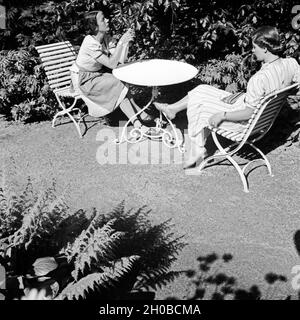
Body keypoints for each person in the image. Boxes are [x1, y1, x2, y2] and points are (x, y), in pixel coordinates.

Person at [154, 26, 300, 169]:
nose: (253, 50)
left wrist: (222, 115)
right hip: (258, 118)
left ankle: (197, 150)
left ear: (265, 48)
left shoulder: (259, 79)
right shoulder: (291, 64)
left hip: (243, 124)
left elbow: (248, 113)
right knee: (201, 89)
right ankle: (172, 109)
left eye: (254, 47)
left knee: (199, 103)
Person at [75, 11, 153, 130]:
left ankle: (139, 115)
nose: (107, 20)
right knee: (118, 83)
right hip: (85, 80)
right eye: (102, 19)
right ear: (95, 27)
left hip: (98, 75)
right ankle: (138, 122)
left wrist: (126, 44)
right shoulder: (89, 42)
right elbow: (112, 64)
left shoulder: (106, 38)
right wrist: (121, 41)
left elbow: (120, 60)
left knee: (121, 81)